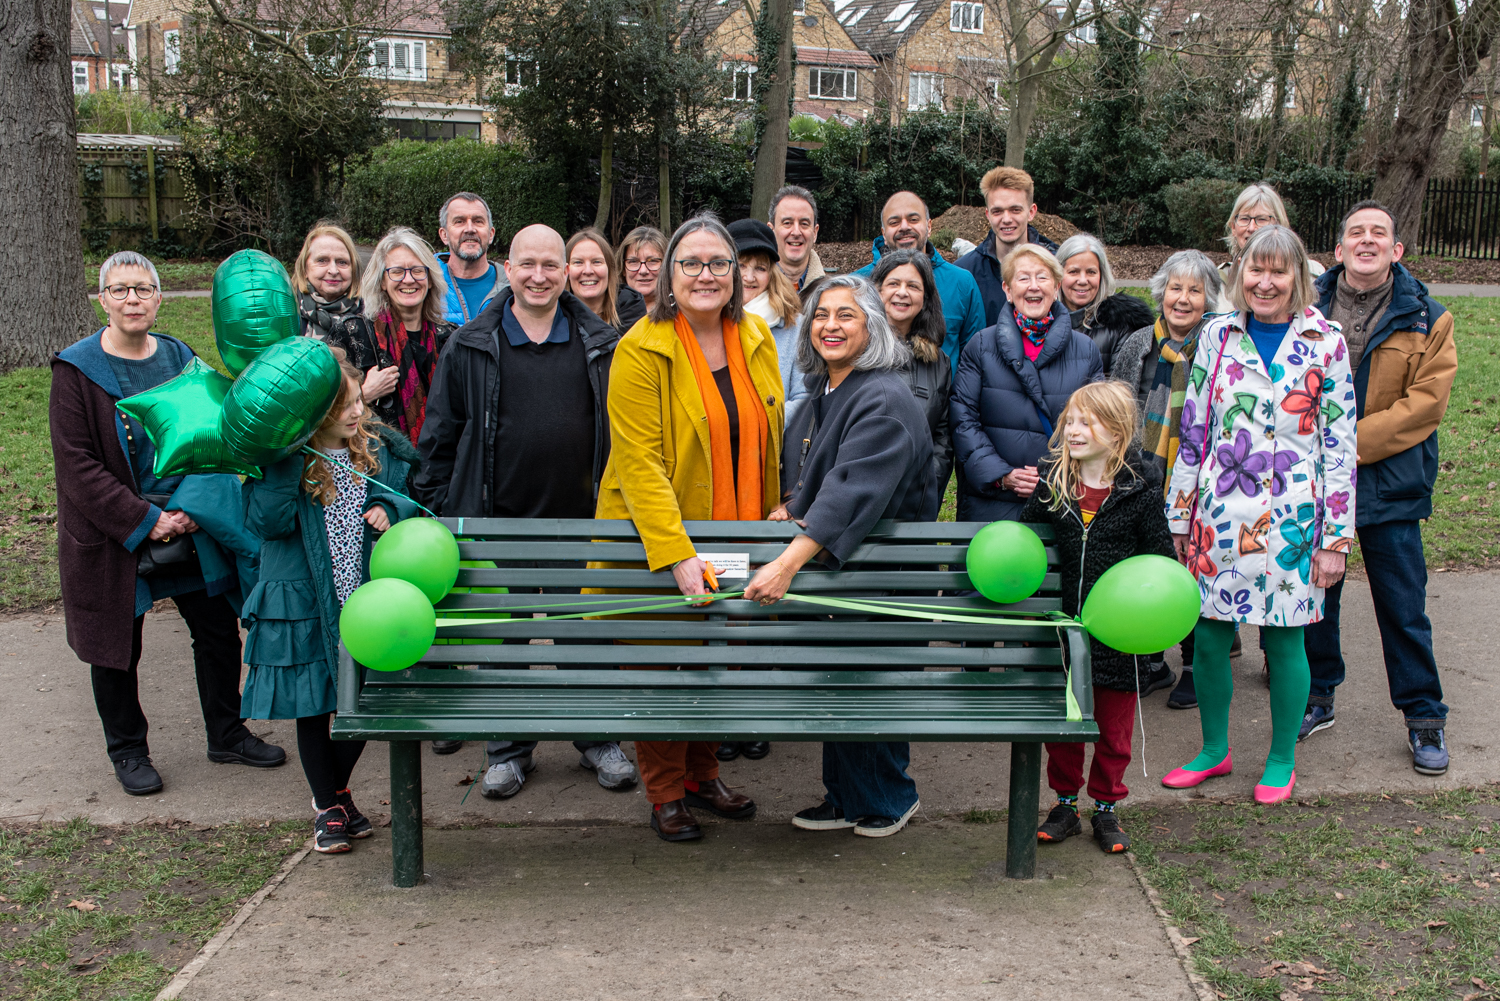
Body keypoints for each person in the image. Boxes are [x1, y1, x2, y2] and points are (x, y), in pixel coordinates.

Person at [51, 251, 285, 797]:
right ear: (102, 299)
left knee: (216, 631)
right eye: (120, 289)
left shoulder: (181, 357)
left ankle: (227, 734)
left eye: (142, 289)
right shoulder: (76, 370)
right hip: (116, 533)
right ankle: (128, 751)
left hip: (189, 517)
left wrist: (188, 510)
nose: (132, 299)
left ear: (158, 298)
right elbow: (77, 467)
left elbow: (214, 433)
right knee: (115, 647)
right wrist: (146, 519)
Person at [414, 224, 636, 791]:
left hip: (579, 523)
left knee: (585, 635)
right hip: (497, 520)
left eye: (550, 265)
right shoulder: (469, 344)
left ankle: (599, 739)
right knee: (504, 639)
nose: (539, 276)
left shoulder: (600, 342)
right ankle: (507, 750)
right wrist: (439, 508)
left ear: (566, 273)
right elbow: (441, 433)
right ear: (507, 269)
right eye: (527, 264)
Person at [595, 212, 784, 842]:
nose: (706, 274)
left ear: (736, 274)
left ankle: (702, 777)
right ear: (668, 276)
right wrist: (676, 553)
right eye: (691, 263)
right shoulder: (640, 348)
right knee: (661, 664)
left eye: (718, 263)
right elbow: (639, 462)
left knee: (714, 658)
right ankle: (665, 791)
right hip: (657, 539)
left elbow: (769, 439)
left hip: (738, 530)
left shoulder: (756, 338)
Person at [1162, 224, 1357, 805]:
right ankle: (1214, 751)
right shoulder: (1217, 336)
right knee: (1210, 638)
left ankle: (1280, 758)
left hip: (1295, 525)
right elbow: (1192, 431)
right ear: (1239, 273)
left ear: (1299, 277)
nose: (1265, 282)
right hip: (1219, 516)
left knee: (1285, 643)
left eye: (1278, 271)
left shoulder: (1327, 342)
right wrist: (1179, 513)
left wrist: (1334, 540)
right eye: (1255, 270)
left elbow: (1340, 448)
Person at [745, 274, 933, 838]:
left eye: (847, 315)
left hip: (887, 578)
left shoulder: (887, 396)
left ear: (872, 326)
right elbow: (811, 480)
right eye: (821, 315)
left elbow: (854, 487)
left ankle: (891, 798)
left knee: (871, 684)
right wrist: (790, 505)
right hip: (844, 575)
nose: (830, 326)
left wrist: (785, 563)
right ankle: (847, 797)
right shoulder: (823, 393)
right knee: (839, 684)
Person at [1302, 200, 1457, 775]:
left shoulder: (1428, 317)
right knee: (1317, 598)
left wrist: (1345, 442)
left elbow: (1424, 405)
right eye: (1355, 233)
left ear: (1396, 250)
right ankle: (1318, 696)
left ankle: (1424, 717)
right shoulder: (1306, 306)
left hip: (1389, 483)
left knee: (1402, 605)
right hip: (1313, 482)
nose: (1366, 241)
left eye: (1379, 234)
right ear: (1339, 250)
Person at [241, 354, 418, 852]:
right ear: (310, 410)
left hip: (364, 599)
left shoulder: (377, 451)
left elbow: (414, 494)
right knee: (314, 706)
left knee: (359, 702)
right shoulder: (283, 459)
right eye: (342, 404)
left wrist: (389, 506)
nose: (356, 411)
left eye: (359, 398)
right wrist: (283, 464)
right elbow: (266, 524)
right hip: (303, 601)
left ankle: (336, 796)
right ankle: (328, 806)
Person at [1022, 382, 1175, 853]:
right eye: (1070, 420)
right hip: (1065, 632)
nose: (1074, 430)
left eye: (1087, 422)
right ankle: (1065, 804)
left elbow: (1160, 561)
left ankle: (1106, 808)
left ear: (1119, 430)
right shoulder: (1054, 483)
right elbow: (1027, 545)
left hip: (1118, 637)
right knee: (1066, 728)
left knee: (1114, 729)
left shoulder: (1141, 489)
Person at [1112, 250, 1224, 708]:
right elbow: (1117, 407)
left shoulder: (1221, 345)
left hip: (1200, 475)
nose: (1183, 299)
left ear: (1208, 299)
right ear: (1161, 292)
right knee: (1148, 564)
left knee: (1195, 571)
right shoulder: (1138, 342)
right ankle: (1151, 661)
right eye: (1175, 288)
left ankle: (1196, 666)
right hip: (1144, 475)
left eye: (1194, 290)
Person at [950, 245, 1102, 522]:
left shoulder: (1086, 350)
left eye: (1042, 277)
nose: (1034, 287)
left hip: (1061, 499)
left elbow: (1097, 424)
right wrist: (1002, 475)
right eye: (1023, 278)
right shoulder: (981, 345)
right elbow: (963, 420)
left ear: (1056, 287)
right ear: (1007, 290)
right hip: (992, 500)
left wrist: (1054, 477)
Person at [854, 191, 985, 377]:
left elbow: (975, 357)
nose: (904, 227)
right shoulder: (858, 283)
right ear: (884, 233)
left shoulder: (962, 282)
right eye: (894, 222)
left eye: (913, 219)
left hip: (943, 402)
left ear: (929, 226)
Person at [348, 228, 455, 446]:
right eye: (396, 272)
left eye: (417, 270)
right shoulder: (354, 334)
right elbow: (323, 411)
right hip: (376, 467)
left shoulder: (451, 339)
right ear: (382, 282)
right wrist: (363, 395)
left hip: (439, 467)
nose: (408, 280)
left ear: (431, 279)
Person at [872, 249, 953, 516]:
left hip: (917, 502)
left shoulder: (939, 362)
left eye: (913, 286)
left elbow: (942, 436)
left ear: (925, 297)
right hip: (861, 498)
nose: (902, 292)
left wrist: (926, 486)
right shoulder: (856, 352)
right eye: (893, 283)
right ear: (877, 291)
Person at [730, 217, 810, 440]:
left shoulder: (795, 326)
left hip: (772, 449)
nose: (749, 277)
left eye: (760, 268)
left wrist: (758, 426)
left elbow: (804, 395)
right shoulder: (707, 322)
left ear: (772, 273)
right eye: (741, 265)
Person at [956, 166, 1060, 328]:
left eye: (1015, 210)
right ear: (988, 215)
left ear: (1031, 212)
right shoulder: (964, 273)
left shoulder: (1057, 266)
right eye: (997, 211)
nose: (1006, 219)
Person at [1054, 234, 1155, 377]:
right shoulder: (1042, 321)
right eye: (1073, 272)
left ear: (1102, 276)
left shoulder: (1122, 325)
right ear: (1058, 275)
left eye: (1091, 272)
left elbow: (1119, 389)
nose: (1083, 280)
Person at [1215, 184, 1325, 313]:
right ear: (1233, 227)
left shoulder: (1311, 275)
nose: (1251, 228)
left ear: (1279, 225)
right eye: (1244, 219)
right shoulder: (1217, 280)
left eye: (1261, 219)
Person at [435, 191, 507, 325]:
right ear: (444, 235)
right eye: (459, 221)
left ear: (491, 234)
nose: (470, 229)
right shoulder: (426, 283)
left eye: (478, 221)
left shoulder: (513, 286)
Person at [292, 222, 367, 341]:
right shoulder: (286, 314)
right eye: (322, 260)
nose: (333, 271)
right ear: (304, 268)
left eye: (342, 262)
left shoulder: (371, 316)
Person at [566, 227, 647, 335]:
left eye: (596, 262)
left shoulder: (633, 315)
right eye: (578, 262)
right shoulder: (552, 321)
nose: (588, 271)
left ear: (610, 269)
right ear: (565, 271)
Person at [768, 185, 827, 292]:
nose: (796, 232)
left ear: (815, 232)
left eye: (804, 224)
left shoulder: (830, 295)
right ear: (771, 230)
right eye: (787, 223)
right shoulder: (750, 291)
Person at [617, 225, 668, 315]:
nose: (643, 271)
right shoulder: (608, 312)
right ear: (623, 269)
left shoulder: (683, 312)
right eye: (633, 261)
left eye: (652, 261)